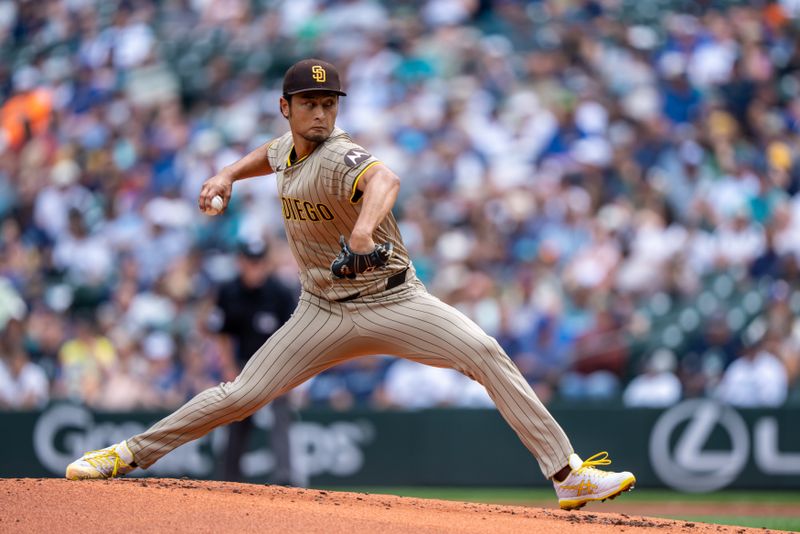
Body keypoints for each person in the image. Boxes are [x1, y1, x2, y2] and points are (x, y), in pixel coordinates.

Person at [65, 58, 635, 510]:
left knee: (485, 353)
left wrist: (363, 229)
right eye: (310, 103)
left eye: (329, 103)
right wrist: (225, 174)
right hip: (322, 311)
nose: (321, 113)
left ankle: (567, 475)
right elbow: (268, 155)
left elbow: (384, 177)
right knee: (241, 396)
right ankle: (126, 454)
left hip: (395, 301)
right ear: (285, 108)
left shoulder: (341, 154)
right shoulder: (289, 148)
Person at [209, 238, 297, 484]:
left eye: (259, 262)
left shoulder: (279, 291)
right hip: (244, 365)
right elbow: (222, 333)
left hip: (277, 364)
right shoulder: (229, 291)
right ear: (240, 262)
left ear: (266, 264)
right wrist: (228, 367)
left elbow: (294, 333)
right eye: (250, 262)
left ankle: (285, 479)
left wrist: (289, 372)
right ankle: (229, 478)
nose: (254, 267)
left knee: (281, 418)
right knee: (237, 419)